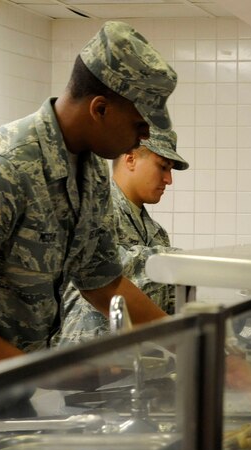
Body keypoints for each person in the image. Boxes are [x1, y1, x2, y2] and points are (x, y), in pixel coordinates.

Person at [0, 21, 177, 385]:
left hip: (10, 383)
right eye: (139, 124)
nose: (146, 135)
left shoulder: (89, 172)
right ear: (100, 109)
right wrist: (37, 372)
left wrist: (188, 340)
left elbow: (102, 281)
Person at [54, 127, 189, 347]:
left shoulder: (156, 233)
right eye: (163, 167)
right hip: (86, 364)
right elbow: (112, 267)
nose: (168, 179)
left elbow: (167, 301)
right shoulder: (93, 211)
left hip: (134, 362)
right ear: (131, 159)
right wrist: (187, 260)